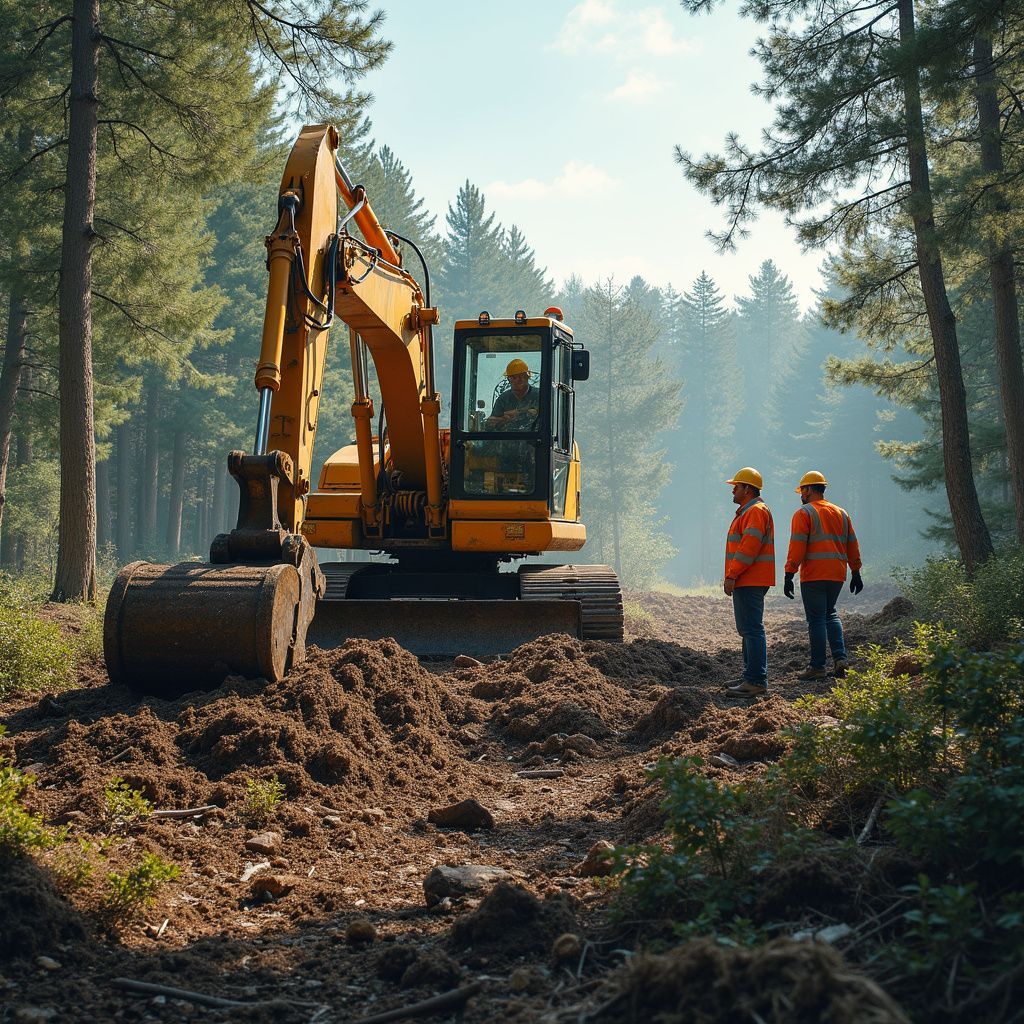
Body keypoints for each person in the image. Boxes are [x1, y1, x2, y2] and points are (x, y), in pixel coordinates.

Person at [783, 471, 863, 680]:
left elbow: (797, 546)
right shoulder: (841, 513)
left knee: (817, 619)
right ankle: (840, 659)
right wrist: (855, 571)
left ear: (809, 490)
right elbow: (852, 544)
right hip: (837, 573)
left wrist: (789, 573)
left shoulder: (804, 513)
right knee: (830, 614)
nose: (801, 495)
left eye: (802, 491)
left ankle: (817, 667)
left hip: (814, 574)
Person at [722, 467, 776, 697]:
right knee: (748, 629)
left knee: (752, 629)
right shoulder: (749, 511)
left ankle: (755, 680)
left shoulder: (754, 511)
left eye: (737, 485)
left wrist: (732, 574)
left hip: (749, 578)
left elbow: (748, 549)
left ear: (747, 489)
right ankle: (750, 674)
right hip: (750, 578)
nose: (733, 489)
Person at [486, 358, 540, 430]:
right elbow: (491, 423)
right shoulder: (503, 399)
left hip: (534, 439)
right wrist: (498, 420)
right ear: (508, 379)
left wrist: (519, 414)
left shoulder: (539, 395)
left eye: (521, 376)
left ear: (528, 377)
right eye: (513, 377)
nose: (518, 380)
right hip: (509, 439)